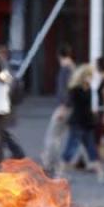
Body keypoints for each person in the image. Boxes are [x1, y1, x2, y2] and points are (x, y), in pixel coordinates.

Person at [58, 64, 101, 179]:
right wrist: (62, 112)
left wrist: (94, 116)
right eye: (89, 75)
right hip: (77, 123)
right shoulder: (75, 89)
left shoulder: (89, 89)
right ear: (84, 76)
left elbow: (89, 106)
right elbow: (68, 102)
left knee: (91, 148)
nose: (91, 78)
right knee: (71, 147)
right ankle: (60, 173)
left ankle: (101, 174)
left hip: (87, 122)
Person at [41, 45, 76, 173]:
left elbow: (65, 90)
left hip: (63, 108)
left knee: (52, 136)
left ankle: (50, 164)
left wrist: (63, 107)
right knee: (57, 136)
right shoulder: (73, 68)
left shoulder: (66, 69)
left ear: (59, 55)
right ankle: (52, 164)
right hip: (69, 107)